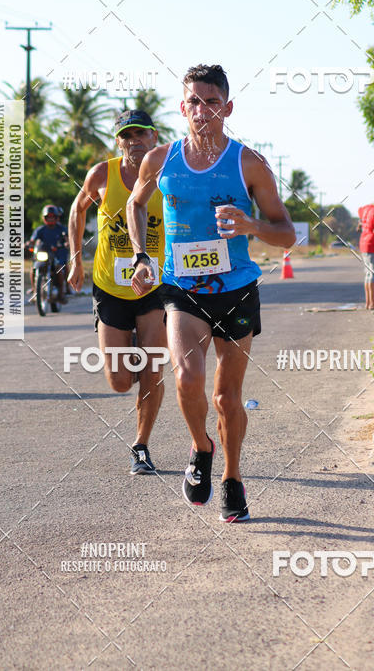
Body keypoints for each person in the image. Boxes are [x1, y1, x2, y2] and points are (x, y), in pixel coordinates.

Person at [126, 64, 296, 522]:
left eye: (211, 102)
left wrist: (251, 225)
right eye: (193, 102)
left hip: (237, 288)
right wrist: (142, 255)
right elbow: (135, 203)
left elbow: (287, 234)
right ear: (182, 107)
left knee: (227, 398)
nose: (201, 111)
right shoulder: (160, 159)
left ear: (228, 107)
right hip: (181, 288)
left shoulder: (248, 164)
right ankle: (202, 447)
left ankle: (233, 477)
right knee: (185, 377)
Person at [67, 110, 167, 475]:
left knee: (153, 368)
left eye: (141, 134)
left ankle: (141, 446)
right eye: (127, 136)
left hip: (156, 287)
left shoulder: (167, 172)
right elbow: (77, 211)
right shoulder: (101, 174)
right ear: (118, 141)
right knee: (121, 381)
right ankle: (138, 363)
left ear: (154, 137)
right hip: (110, 287)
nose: (134, 141)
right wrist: (76, 259)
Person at [28, 205, 68, 304]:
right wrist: (29, 243)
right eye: (48, 217)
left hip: (57, 255)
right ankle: (34, 291)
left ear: (56, 218)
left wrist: (67, 243)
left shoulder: (61, 229)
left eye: (52, 217)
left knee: (60, 270)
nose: (50, 219)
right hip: (44, 255)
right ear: (44, 218)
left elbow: (67, 238)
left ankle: (61, 293)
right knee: (33, 270)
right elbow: (33, 240)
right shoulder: (40, 229)